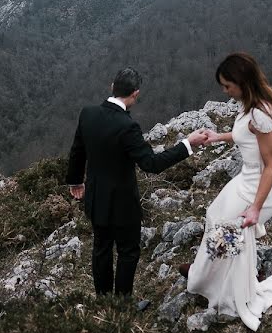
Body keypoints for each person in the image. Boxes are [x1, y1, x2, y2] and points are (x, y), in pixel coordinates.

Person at [66, 67, 207, 302]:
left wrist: (75, 180)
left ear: (112, 87)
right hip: (122, 204)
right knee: (127, 252)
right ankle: (121, 306)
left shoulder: (87, 113)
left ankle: (103, 301)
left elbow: (77, 150)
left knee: (101, 249)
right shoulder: (127, 126)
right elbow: (151, 164)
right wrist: (187, 144)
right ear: (135, 94)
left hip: (96, 198)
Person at [182, 52, 272, 331]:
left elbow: (271, 166)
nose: (225, 91)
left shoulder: (261, 115)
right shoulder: (247, 105)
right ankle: (205, 277)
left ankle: (226, 291)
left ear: (242, 82)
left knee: (230, 230)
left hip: (262, 188)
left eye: (228, 86)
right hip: (246, 179)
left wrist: (255, 208)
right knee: (216, 215)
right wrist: (219, 137)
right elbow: (244, 136)